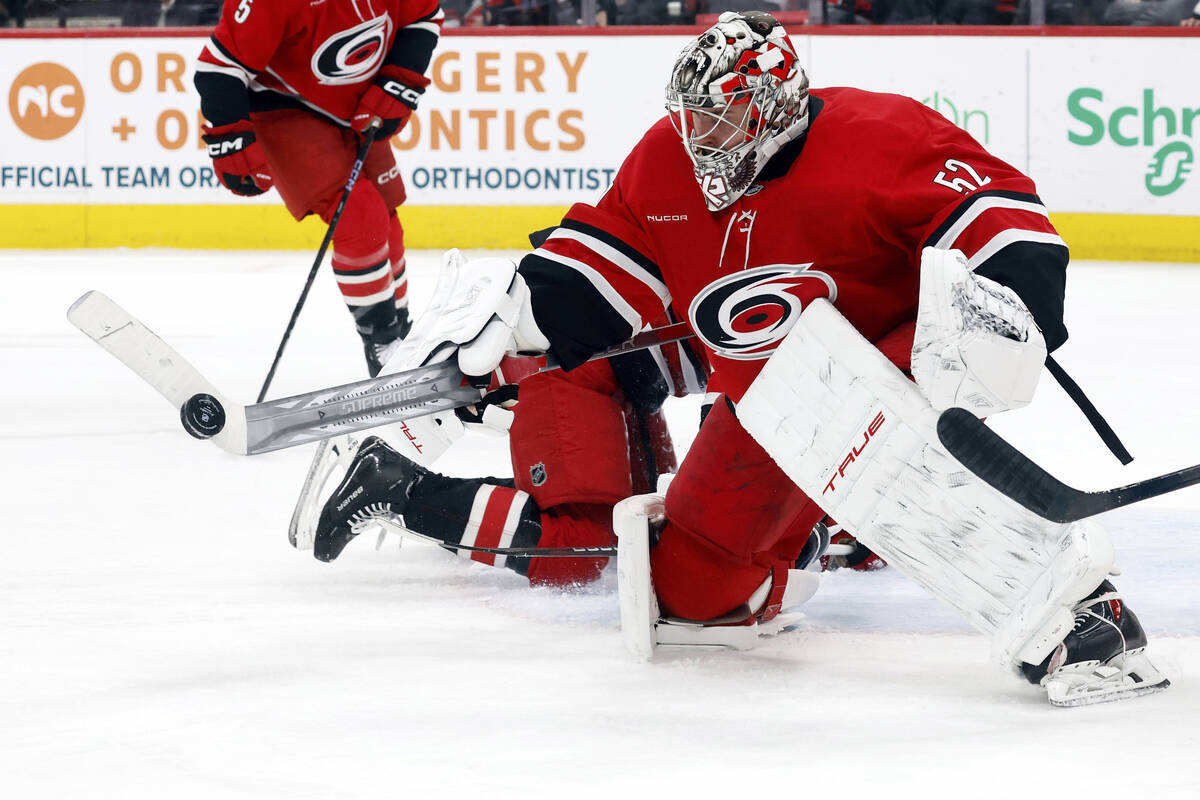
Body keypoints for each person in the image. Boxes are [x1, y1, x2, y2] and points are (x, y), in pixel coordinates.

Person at [315, 11, 1166, 703]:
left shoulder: (878, 134)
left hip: (886, 359)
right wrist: (510, 330)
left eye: (718, 117)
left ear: (772, 104)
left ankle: (1074, 616)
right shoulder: (666, 165)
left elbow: (1004, 221)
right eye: (692, 117)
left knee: (880, 444)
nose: (698, 138)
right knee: (686, 597)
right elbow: (597, 269)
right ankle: (813, 533)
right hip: (767, 401)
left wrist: (1010, 308)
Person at [193, 1, 444, 376]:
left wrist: (399, 80)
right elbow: (218, 68)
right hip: (283, 107)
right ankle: (381, 342)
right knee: (360, 218)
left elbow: (423, 17)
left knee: (387, 222)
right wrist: (231, 140)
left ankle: (402, 340)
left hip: (356, 103)